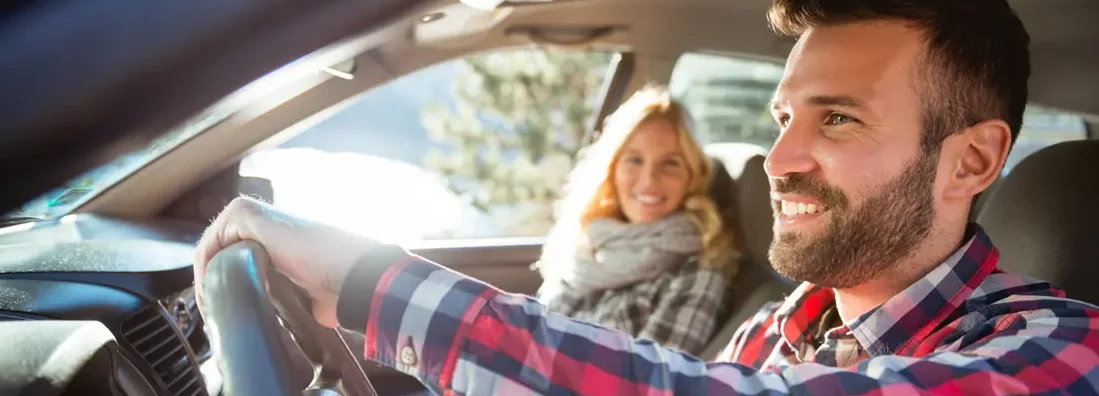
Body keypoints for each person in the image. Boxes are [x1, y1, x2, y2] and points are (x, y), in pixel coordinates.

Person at [193, 0, 1099, 394]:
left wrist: (371, 283)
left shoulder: (1061, 356)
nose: (777, 156)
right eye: (783, 115)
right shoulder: (787, 325)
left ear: (971, 163)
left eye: (836, 122)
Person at [533, 85, 736, 355]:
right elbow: (531, 332)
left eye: (671, 163)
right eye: (634, 160)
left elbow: (647, 382)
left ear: (692, 175)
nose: (649, 180)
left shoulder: (701, 268)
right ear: (612, 169)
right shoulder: (585, 244)